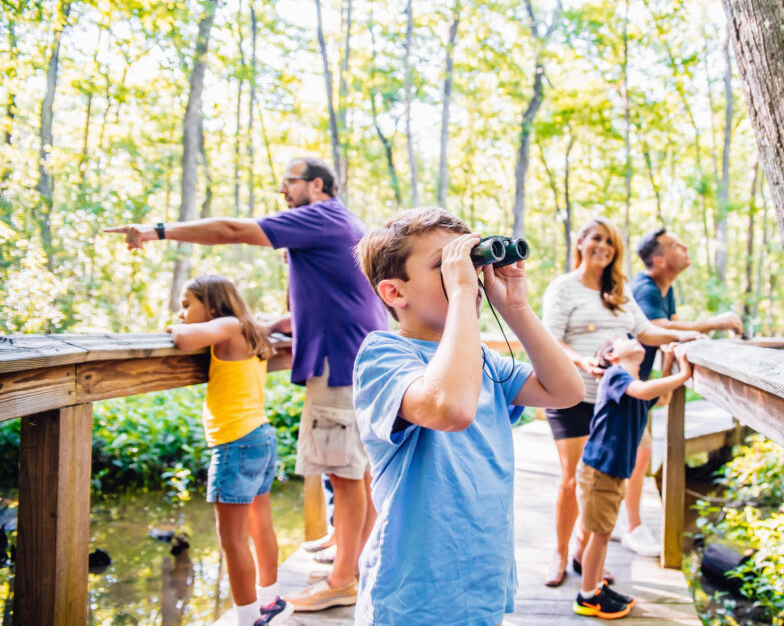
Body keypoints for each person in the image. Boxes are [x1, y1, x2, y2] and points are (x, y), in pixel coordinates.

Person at [105, 157, 388, 611]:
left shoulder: (320, 216)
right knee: (360, 469)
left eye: (289, 182)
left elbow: (232, 230)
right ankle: (351, 558)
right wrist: (278, 323)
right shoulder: (344, 222)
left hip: (339, 361)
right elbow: (336, 299)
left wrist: (156, 231)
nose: (282, 191)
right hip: (358, 355)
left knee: (345, 474)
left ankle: (341, 581)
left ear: (316, 185)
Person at [351, 207, 585, 625]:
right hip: (411, 593)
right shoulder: (382, 356)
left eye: (470, 263)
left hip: (481, 581)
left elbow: (567, 391)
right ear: (394, 292)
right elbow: (451, 409)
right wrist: (461, 295)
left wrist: (516, 308)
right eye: (447, 265)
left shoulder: (483, 360)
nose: (468, 276)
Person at [540, 217, 702, 588]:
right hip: (571, 394)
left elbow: (646, 331)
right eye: (596, 238)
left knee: (599, 479)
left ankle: (584, 554)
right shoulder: (563, 288)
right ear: (580, 242)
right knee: (573, 479)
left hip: (611, 402)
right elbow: (551, 340)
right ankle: (560, 553)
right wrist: (584, 362)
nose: (604, 246)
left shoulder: (620, 290)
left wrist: (689, 335)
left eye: (610, 242)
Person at [166, 274, 291, 626]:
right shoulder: (249, 330)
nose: (181, 313)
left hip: (236, 443)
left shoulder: (230, 325)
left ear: (212, 305)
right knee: (260, 525)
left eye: (187, 305)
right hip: (260, 436)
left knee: (232, 540)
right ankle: (270, 600)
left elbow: (183, 338)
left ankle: (249, 618)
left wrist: (173, 328)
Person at [616, 228, 743, 556]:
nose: (685, 247)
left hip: (636, 383)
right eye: (675, 245)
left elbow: (672, 324)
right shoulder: (645, 288)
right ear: (658, 260)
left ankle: (617, 521)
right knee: (637, 453)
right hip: (620, 384)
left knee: (635, 453)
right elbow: (660, 328)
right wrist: (715, 322)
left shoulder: (665, 289)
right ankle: (630, 527)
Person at [573, 336, 693, 619]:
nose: (633, 339)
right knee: (599, 535)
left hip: (612, 471)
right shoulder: (615, 377)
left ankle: (596, 587)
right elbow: (645, 390)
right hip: (599, 470)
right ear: (611, 356)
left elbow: (662, 397)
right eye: (625, 339)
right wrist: (684, 374)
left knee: (603, 534)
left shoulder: (634, 385)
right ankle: (587, 596)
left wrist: (668, 364)